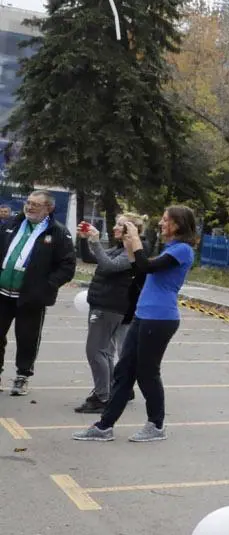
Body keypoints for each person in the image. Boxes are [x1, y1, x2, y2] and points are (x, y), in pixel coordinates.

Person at [70, 206, 198, 443]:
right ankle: (104, 426)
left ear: (178, 224)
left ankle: (156, 425)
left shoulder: (182, 250)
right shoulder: (170, 248)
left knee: (147, 373)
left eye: (166, 220)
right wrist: (130, 244)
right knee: (124, 372)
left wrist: (137, 240)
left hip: (160, 319)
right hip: (143, 315)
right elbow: (140, 271)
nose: (161, 223)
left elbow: (147, 266)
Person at [0, 190, 77, 395]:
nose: (29, 207)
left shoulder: (58, 232)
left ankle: (22, 376)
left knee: (27, 338)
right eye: (28, 202)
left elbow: (67, 266)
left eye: (36, 204)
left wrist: (46, 286)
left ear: (48, 208)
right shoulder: (12, 224)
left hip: (31, 297)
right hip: (2, 293)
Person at [74, 214, 147, 414]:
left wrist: (96, 241)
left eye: (120, 225)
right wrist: (84, 239)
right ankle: (109, 390)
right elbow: (90, 258)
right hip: (103, 303)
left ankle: (102, 397)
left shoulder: (131, 251)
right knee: (104, 351)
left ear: (131, 229)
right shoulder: (118, 248)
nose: (114, 227)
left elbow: (109, 266)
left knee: (95, 350)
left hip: (110, 306)